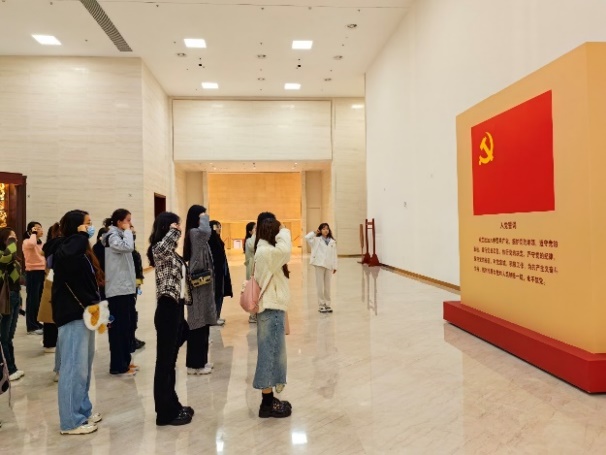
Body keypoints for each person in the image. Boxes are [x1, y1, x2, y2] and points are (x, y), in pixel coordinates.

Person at [47, 209, 104, 435]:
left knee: (83, 368)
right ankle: (70, 421)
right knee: (72, 368)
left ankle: (82, 410)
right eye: (86, 224)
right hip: (71, 315)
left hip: (85, 313)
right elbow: (66, 254)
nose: (89, 227)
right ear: (76, 227)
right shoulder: (63, 249)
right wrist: (80, 236)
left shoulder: (78, 250)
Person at [147, 211, 194, 426]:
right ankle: (164, 413)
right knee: (164, 364)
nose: (180, 230)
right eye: (176, 226)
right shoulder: (159, 250)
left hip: (176, 307)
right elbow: (163, 247)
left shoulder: (172, 254)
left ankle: (172, 404)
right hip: (167, 308)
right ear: (167, 228)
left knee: (171, 362)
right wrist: (173, 231)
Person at [253, 217, 292, 418]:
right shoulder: (267, 252)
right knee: (270, 355)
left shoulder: (264, 250)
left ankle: (268, 399)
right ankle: (266, 404)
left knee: (272, 354)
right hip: (270, 308)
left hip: (270, 307)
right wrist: (284, 231)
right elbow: (285, 251)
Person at [102, 209, 137, 376]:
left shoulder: (120, 235)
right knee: (118, 329)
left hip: (125, 288)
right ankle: (118, 365)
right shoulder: (112, 236)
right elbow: (127, 247)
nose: (130, 223)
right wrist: (129, 232)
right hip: (117, 290)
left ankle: (125, 361)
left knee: (126, 327)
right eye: (127, 220)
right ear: (118, 222)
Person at [183, 205, 216, 375]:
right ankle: (194, 365)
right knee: (197, 324)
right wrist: (204, 217)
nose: (206, 218)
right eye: (202, 216)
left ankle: (202, 361)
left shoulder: (196, 234)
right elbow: (206, 232)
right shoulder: (195, 233)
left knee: (204, 324)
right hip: (198, 286)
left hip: (203, 285)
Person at [0, 227, 24, 381]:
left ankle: (12, 367)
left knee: (9, 336)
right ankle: (8, 370)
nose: (15, 241)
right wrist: (12, 243)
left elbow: (16, 279)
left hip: (15, 297)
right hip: (6, 299)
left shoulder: (11, 257)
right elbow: (6, 259)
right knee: (3, 336)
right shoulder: (3, 256)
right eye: (11, 238)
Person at [39, 222, 61, 356]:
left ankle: (49, 341)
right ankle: (51, 342)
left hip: (49, 278)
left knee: (49, 313)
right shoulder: (60, 244)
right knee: (52, 313)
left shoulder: (49, 245)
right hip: (55, 279)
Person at [305, 223, 338, 313]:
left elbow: (334, 255)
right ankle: (321, 304)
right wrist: (315, 232)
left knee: (328, 286)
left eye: (327, 228)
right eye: (323, 229)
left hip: (329, 265)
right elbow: (307, 237)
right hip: (319, 264)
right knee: (320, 285)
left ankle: (328, 304)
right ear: (320, 230)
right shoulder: (316, 240)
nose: (325, 230)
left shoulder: (332, 241)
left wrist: (335, 266)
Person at [208, 220, 233, 326]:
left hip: (221, 271)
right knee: (215, 294)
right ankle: (213, 317)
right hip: (214, 272)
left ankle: (217, 316)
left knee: (220, 294)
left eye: (220, 227)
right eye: (217, 227)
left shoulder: (218, 239)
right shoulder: (210, 241)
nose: (219, 229)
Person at [23, 221, 45, 334]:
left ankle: (36, 323)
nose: (40, 230)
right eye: (37, 228)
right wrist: (33, 234)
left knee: (38, 300)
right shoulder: (27, 242)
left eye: (40, 228)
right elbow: (32, 244)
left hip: (41, 272)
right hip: (32, 272)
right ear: (31, 231)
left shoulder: (40, 243)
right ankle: (31, 326)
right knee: (32, 300)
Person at [244, 222, 257, 324]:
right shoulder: (249, 240)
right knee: (253, 292)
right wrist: (254, 234)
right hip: (251, 268)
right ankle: (252, 315)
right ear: (250, 231)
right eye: (255, 228)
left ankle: (256, 313)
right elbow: (252, 246)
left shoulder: (255, 239)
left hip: (256, 267)